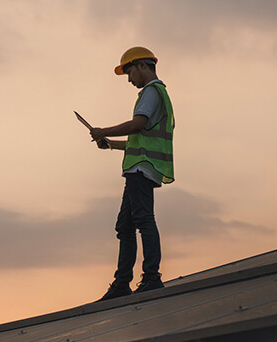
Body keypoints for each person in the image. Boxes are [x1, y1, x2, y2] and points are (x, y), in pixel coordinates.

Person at [90, 46, 175, 302]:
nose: (129, 79)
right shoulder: (158, 93)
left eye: (129, 72)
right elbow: (141, 137)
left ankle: (150, 278)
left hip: (141, 168)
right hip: (141, 166)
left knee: (143, 220)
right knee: (125, 225)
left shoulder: (150, 92)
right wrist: (110, 143)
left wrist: (103, 129)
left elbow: (137, 125)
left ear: (142, 66)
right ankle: (122, 282)